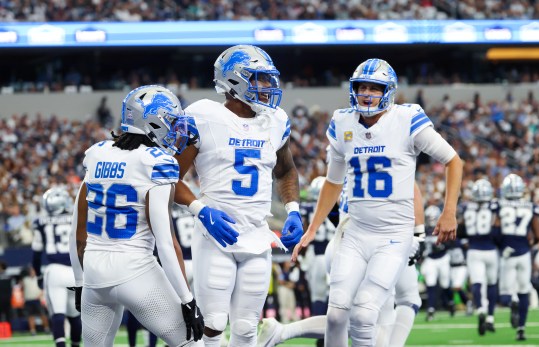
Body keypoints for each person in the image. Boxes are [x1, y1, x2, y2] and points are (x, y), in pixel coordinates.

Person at [292, 58, 463, 347]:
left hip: (393, 236)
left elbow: (453, 160)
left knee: (363, 314)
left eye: (375, 87)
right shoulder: (342, 121)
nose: (368, 93)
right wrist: (312, 229)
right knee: (335, 316)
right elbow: (333, 183)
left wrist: (449, 212)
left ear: (389, 91)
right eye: (362, 87)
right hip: (354, 233)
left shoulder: (406, 119)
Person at [173, 44, 303, 347]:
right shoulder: (203, 115)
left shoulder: (275, 120)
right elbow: (169, 177)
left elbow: (285, 170)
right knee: (214, 324)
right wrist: (200, 210)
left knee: (246, 328)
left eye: (269, 79)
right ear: (233, 81)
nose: (268, 86)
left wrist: (293, 208)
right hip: (216, 235)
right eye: (260, 78)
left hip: (257, 236)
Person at [68, 85, 204, 347]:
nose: (176, 130)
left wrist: (79, 281)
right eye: (171, 121)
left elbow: (79, 231)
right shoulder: (156, 162)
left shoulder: (97, 154)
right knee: (192, 344)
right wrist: (187, 300)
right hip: (137, 272)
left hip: (95, 275)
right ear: (152, 121)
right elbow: (166, 243)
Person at [257, 182, 426, 347]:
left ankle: (282, 332)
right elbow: (411, 184)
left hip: (346, 241)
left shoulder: (347, 160)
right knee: (375, 318)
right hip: (372, 242)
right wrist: (418, 233)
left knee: (355, 317)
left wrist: (314, 228)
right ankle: (282, 332)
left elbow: (332, 192)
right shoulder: (384, 162)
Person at [32, 187, 81, 346]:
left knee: (58, 315)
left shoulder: (40, 222)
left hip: (55, 271)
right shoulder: (76, 217)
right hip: (76, 272)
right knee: (74, 316)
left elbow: (37, 254)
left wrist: (39, 276)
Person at [493, 173, 539, 341]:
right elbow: (537, 233)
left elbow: (495, 232)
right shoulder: (529, 206)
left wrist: (501, 245)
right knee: (524, 290)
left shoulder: (499, 205)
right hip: (524, 253)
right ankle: (521, 329)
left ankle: (512, 300)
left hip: (507, 253)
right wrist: (529, 244)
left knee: (506, 294)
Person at [461, 178, 498, 335]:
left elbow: (461, 229)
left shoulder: (466, 207)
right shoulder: (494, 206)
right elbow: (498, 227)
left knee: (477, 282)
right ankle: (490, 316)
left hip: (474, 249)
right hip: (490, 249)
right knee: (491, 284)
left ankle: (480, 308)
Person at [421, 204, 453, 321]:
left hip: (443, 258)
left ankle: (450, 302)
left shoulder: (443, 228)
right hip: (430, 259)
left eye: (432, 218)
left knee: (445, 284)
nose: (431, 221)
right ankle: (431, 309)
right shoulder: (424, 230)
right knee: (431, 284)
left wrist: (442, 246)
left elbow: (451, 242)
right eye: (429, 218)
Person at [21, 266, 50, 335]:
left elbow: (43, 289)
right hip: (28, 300)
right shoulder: (25, 279)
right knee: (30, 316)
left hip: (37, 300)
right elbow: (22, 289)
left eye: (33, 270)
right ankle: (33, 331)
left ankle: (47, 329)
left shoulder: (39, 279)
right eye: (31, 270)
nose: (32, 272)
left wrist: (40, 296)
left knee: (42, 315)